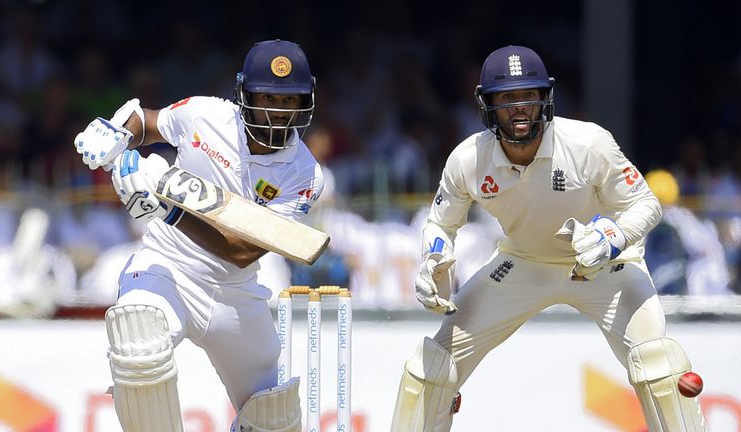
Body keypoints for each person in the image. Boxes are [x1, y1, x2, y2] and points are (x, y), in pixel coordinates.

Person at [391, 45, 706, 431]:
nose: (519, 107)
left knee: (658, 365)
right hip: (521, 264)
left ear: (545, 99)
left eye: (529, 95)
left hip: (603, 266)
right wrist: (433, 260)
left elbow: (645, 203)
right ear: (487, 103)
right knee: (432, 369)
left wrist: (616, 236)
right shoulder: (468, 159)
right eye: (507, 98)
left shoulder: (588, 143)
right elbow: (441, 224)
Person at [73, 39, 322, 432]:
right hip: (166, 266)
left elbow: (241, 251)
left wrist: (170, 209)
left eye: (289, 101)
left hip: (235, 291)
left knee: (274, 416)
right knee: (140, 344)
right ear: (244, 95)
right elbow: (148, 121)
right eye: (268, 98)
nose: (278, 112)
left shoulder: (304, 175)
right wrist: (117, 132)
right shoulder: (206, 115)